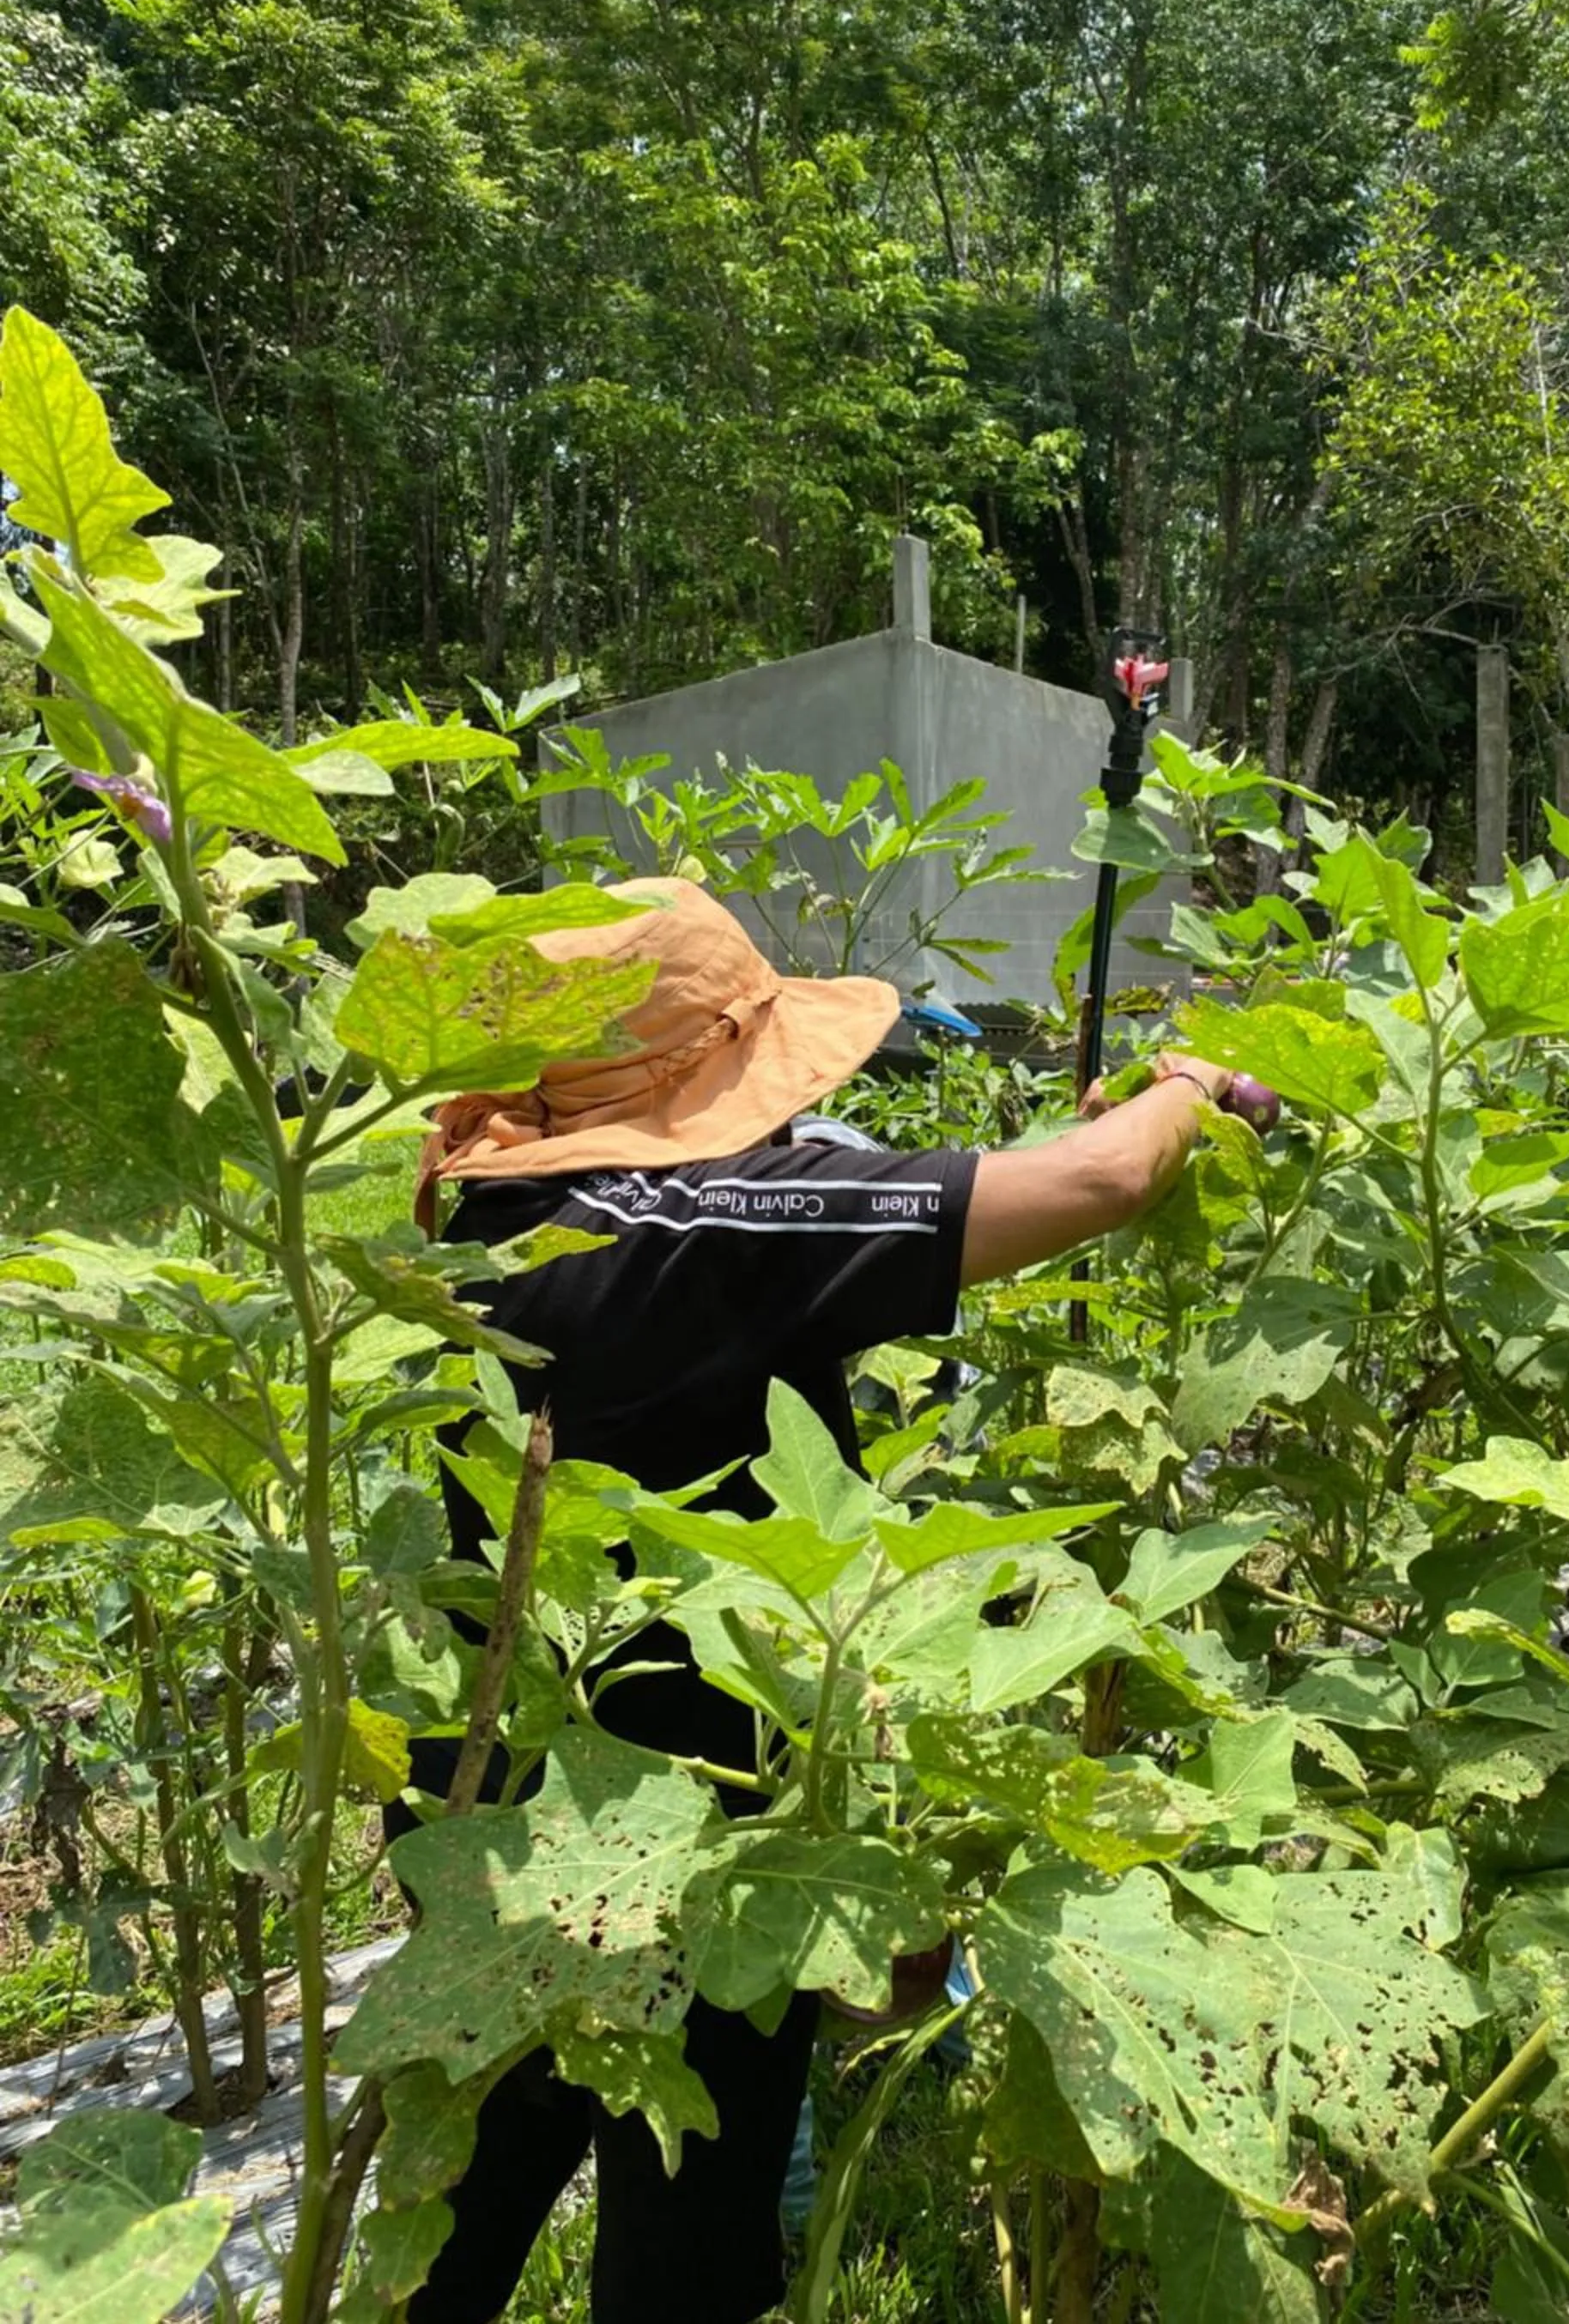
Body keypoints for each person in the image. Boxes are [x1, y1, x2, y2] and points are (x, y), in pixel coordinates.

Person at [398, 876, 1238, 2324]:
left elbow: (921, 1188)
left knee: (459, 2192)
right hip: (697, 1841)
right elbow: (1100, 1185)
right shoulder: (695, 1234)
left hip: (491, 1816)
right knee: (689, 2234)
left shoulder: (484, 1219)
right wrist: (1187, 1094)